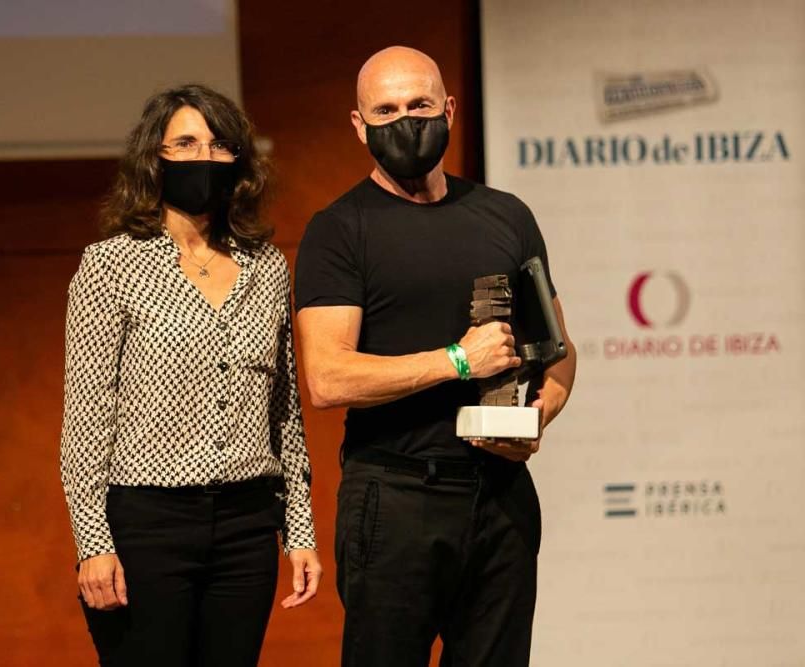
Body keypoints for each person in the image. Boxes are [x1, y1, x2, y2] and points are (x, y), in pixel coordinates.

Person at [294, 47, 577, 667]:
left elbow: (559, 352)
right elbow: (326, 375)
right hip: (394, 499)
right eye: (386, 110)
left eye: (419, 105)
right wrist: (456, 360)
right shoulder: (340, 230)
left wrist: (537, 418)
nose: (406, 122)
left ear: (448, 109)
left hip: (501, 499)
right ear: (358, 124)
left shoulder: (506, 215)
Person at [59, 84, 322, 667]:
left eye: (219, 145)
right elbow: (86, 419)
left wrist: (299, 529)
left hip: (246, 529)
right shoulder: (111, 264)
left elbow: (285, 414)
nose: (203, 157)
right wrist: (93, 544)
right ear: (155, 157)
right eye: (186, 143)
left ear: (239, 162)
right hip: (147, 527)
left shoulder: (267, 267)